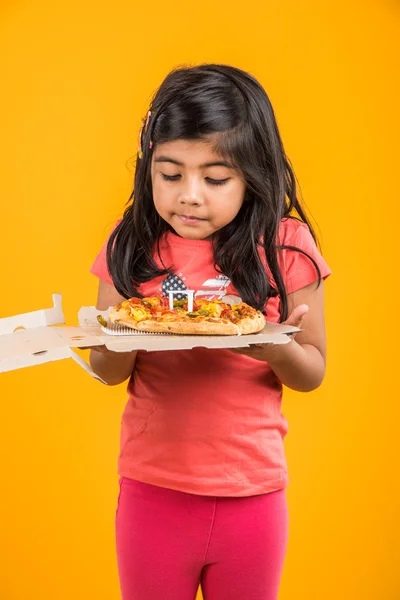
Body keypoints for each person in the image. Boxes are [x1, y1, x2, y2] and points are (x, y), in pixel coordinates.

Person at [89, 64, 331, 600]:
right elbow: (106, 372)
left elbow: (312, 373)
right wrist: (110, 336)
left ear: (253, 173)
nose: (190, 196)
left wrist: (275, 346)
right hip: (153, 491)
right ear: (147, 165)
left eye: (216, 179)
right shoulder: (130, 243)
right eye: (170, 174)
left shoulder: (285, 246)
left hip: (254, 494)